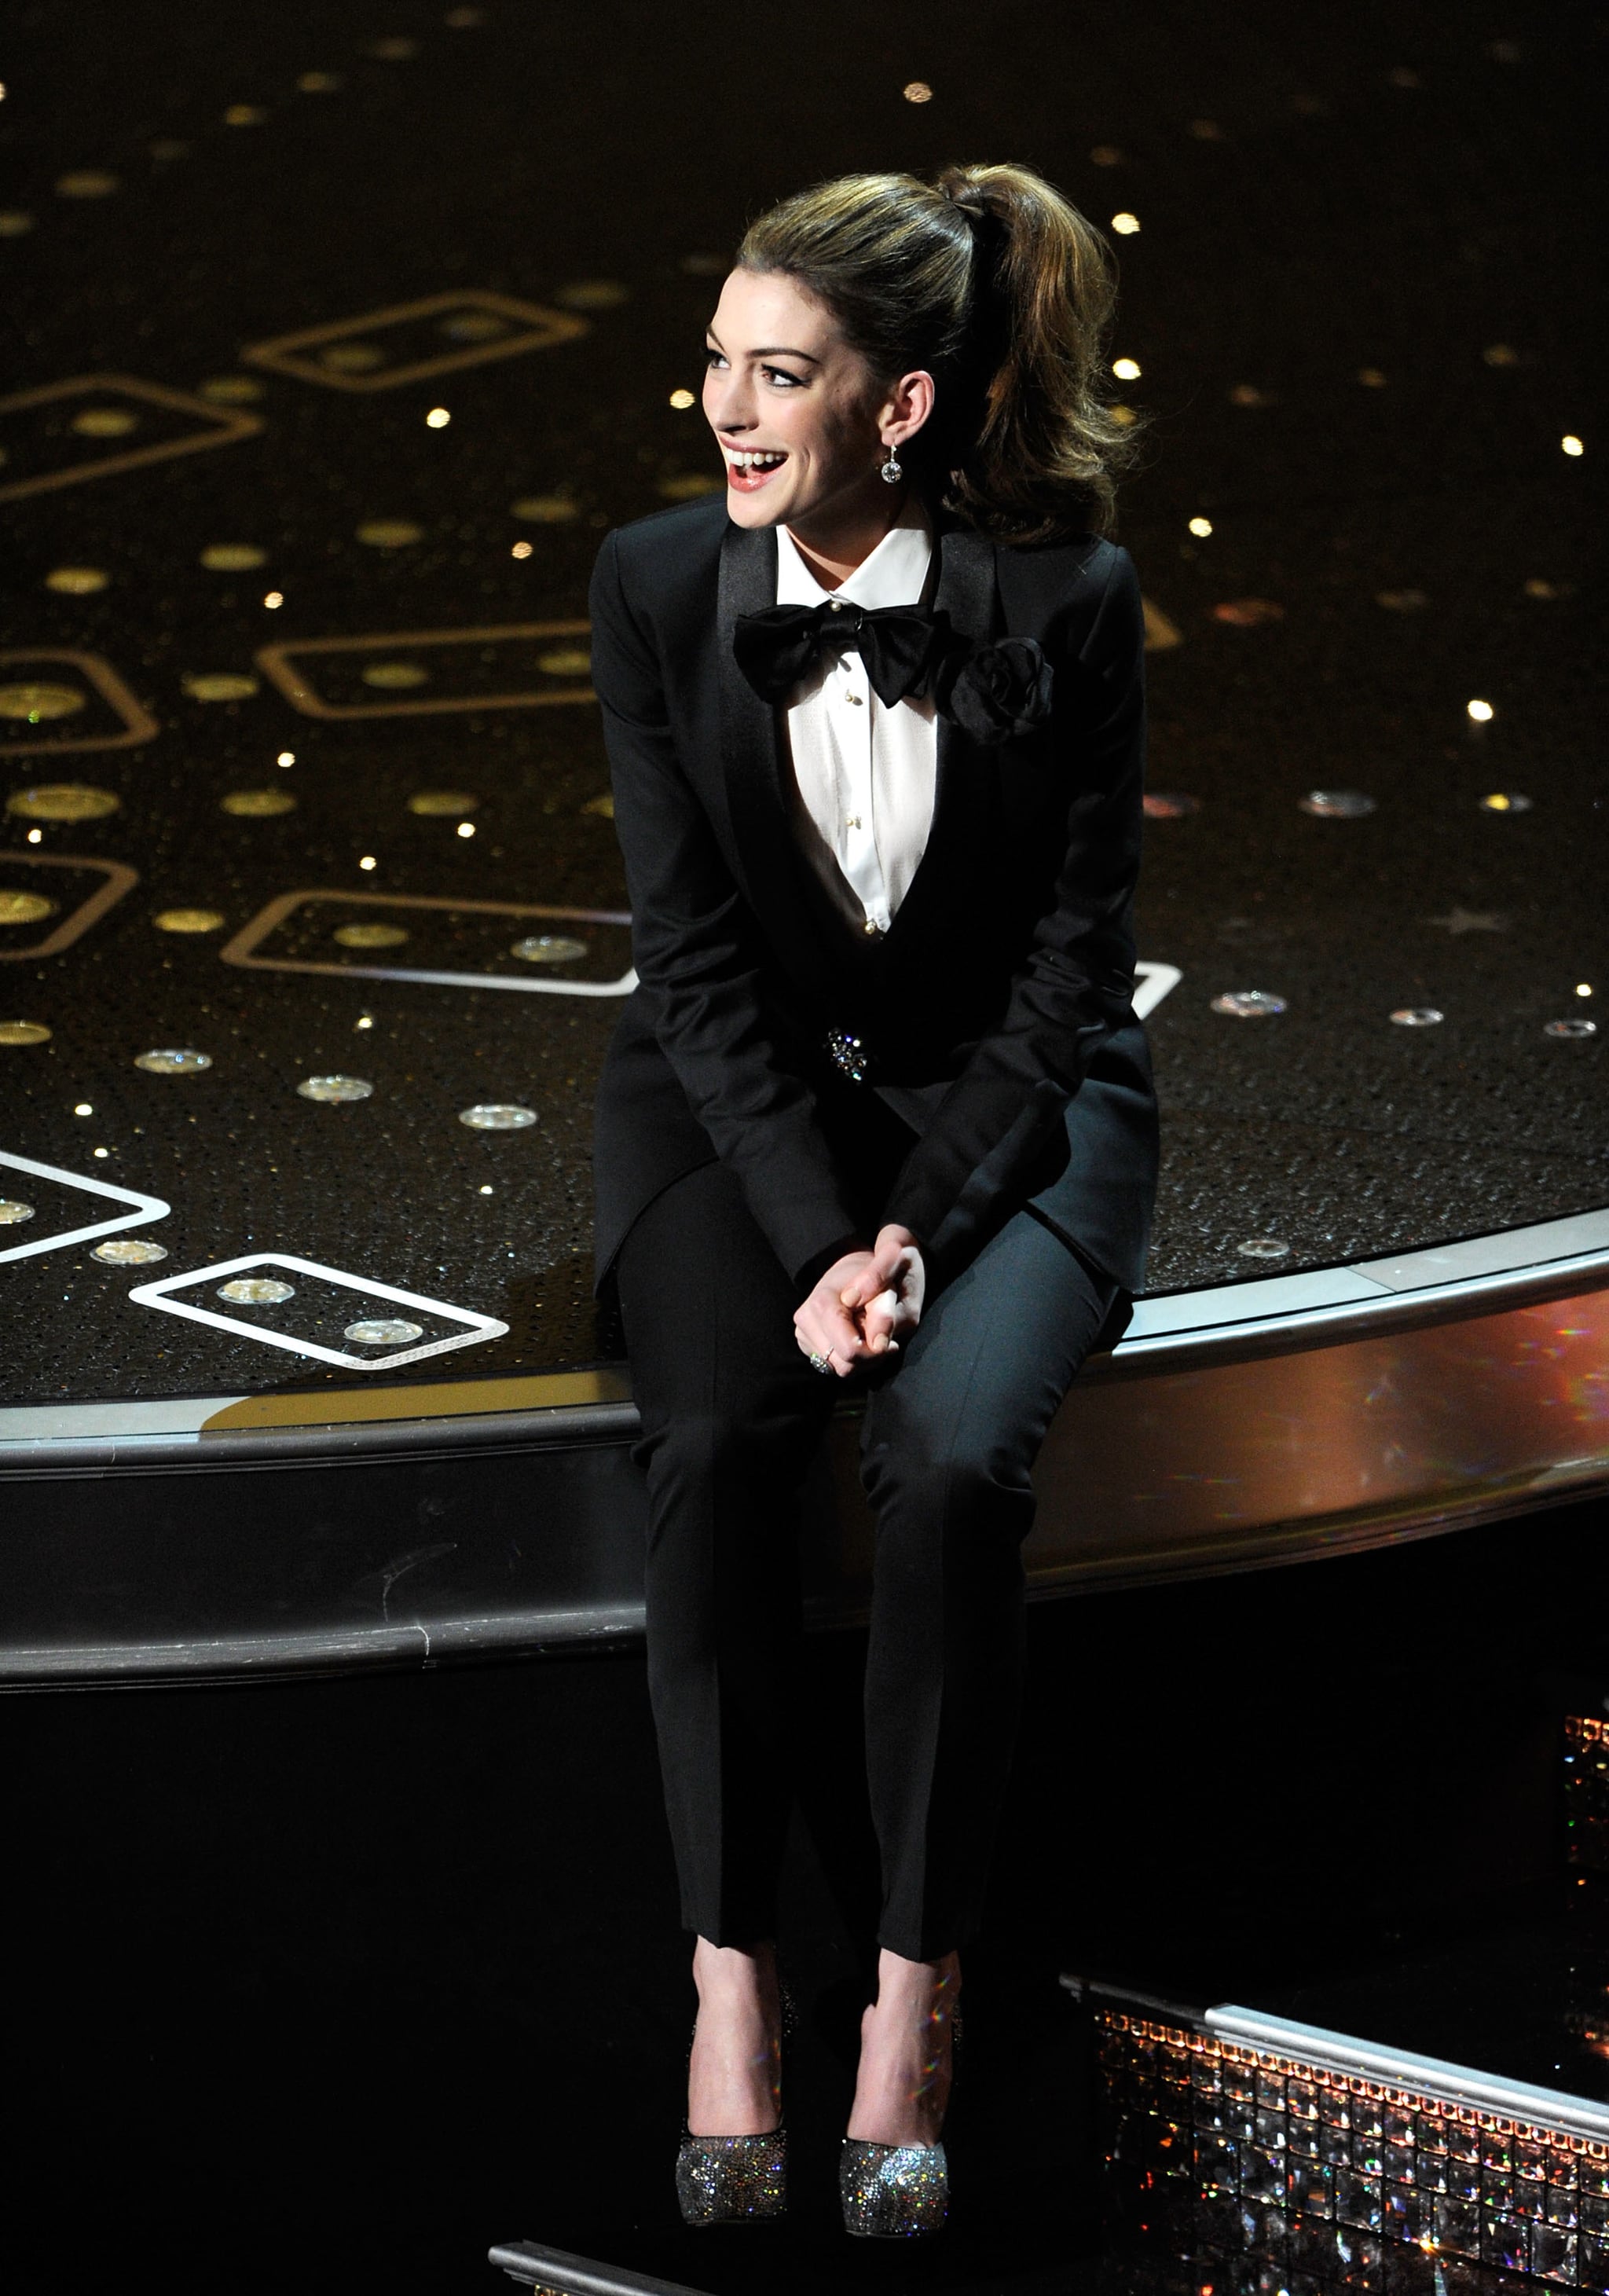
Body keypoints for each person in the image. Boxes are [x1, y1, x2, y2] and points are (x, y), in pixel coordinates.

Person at [588, 161, 1159, 2239]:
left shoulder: (1071, 600)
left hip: (1009, 1111)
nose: (728, 413)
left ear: (896, 407)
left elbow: (1071, 965)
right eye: (717, 367)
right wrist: (815, 1235)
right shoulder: (656, 586)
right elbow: (696, 962)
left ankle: (913, 1993)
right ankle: (731, 1967)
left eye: (780, 375)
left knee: (949, 1456)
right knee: (729, 1430)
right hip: (733, 1115)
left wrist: (913, 1218)